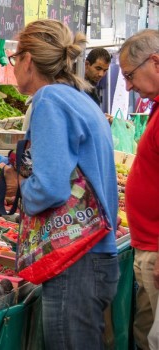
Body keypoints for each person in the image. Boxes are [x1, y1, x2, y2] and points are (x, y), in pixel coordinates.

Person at [0, 19, 119, 350]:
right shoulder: (78, 97)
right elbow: (37, 167)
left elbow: (49, 188)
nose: (13, 67)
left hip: (76, 262)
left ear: (28, 60)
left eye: (14, 59)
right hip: (93, 256)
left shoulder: (49, 101)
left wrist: (18, 188)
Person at [119, 29, 159, 350]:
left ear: (155, 63)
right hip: (148, 244)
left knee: (152, 336)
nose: (129, 86)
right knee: (146, 329)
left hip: (157, 249)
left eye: (130, 76)